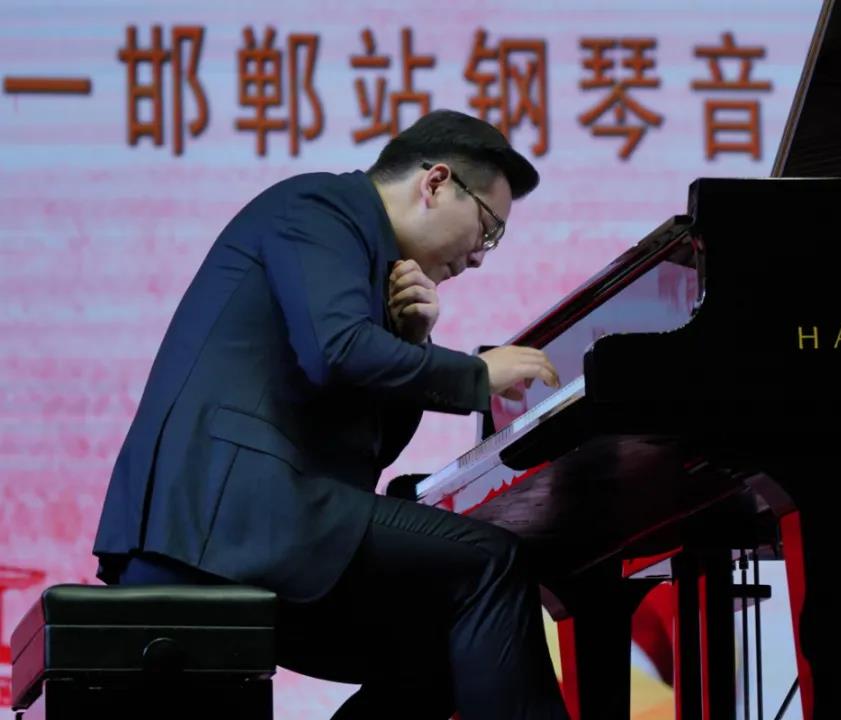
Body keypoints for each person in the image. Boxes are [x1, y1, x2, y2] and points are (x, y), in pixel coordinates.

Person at [92, 109, 571, 719]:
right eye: (488, 228)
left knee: (444, 646)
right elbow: (337, 352)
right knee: (495, 563)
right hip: (221, 516)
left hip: (254, 521)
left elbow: (366, 450)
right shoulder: (323, 208)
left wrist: (410, 339)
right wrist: (476, 374)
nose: (480, 257)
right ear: (435, 183)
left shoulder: (366, 261)